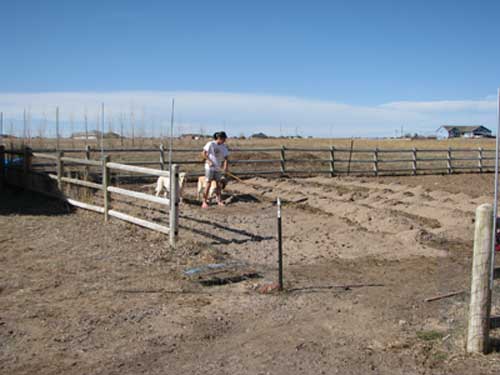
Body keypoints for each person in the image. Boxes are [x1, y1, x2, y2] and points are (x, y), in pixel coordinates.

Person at [201, 131, 229, 208]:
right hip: (209, 167)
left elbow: (226, 158)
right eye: (224, 139)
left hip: (218, 168)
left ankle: (219, 200)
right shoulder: (210, 144)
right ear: (219, 138)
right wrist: (208, 160)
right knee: (208, 184)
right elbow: (203, 153)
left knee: (219, 184)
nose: (224, 140)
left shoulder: (223, 147)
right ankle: (204, 201)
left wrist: (225, 167)